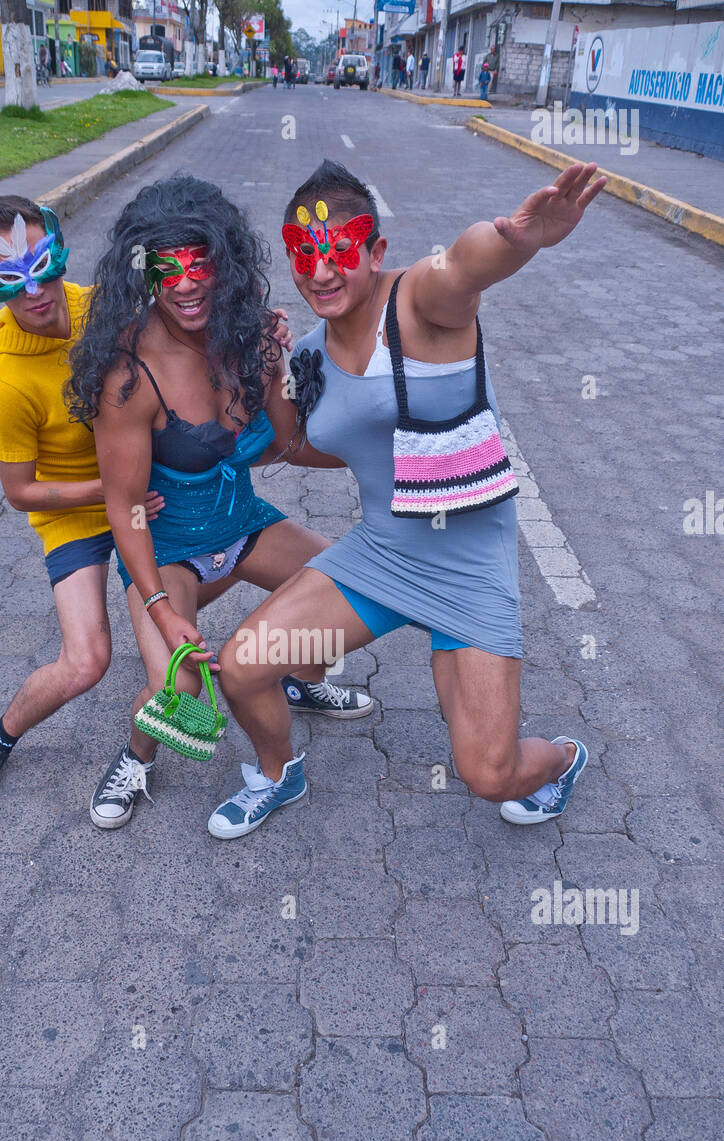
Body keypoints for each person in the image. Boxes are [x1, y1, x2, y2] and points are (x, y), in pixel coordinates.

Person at [207, 158, 607, 840]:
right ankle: (278, 775)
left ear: (376, 251)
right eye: (306, 255)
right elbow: (312, 446)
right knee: (243, 668)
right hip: (382, 559)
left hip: (467, 572)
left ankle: (564, 759)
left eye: (340, 251)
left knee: (490, 774)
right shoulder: (310, 350)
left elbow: (463, 268)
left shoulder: (419, 303)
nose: (321, 271)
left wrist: (519, 237)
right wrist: (272, 381)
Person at [67, 176, 372, 830]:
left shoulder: (246, 334)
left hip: (242, 527)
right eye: (165, 267)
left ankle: (294, 676)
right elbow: (125, 509)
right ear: (142, 271)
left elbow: (288, 441)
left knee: (350, 593)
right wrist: (156, 605)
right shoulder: (128, 374)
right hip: (168, 552)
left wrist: (377, 448)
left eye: (199, 262)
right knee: (175, 686)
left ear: (225, 260)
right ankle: (135, 758)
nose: (184, 283)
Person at [0, 196, 183, 818]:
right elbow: (20, 492)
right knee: (86, 661)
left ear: (59, 253)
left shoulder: (103, 308)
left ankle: (290, 667)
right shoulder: (4, 384)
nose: (33, 291)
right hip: (77, 509)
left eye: (41, 266)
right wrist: (109, 492)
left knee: (182, 617)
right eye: (9, 278)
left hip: (140, 493)